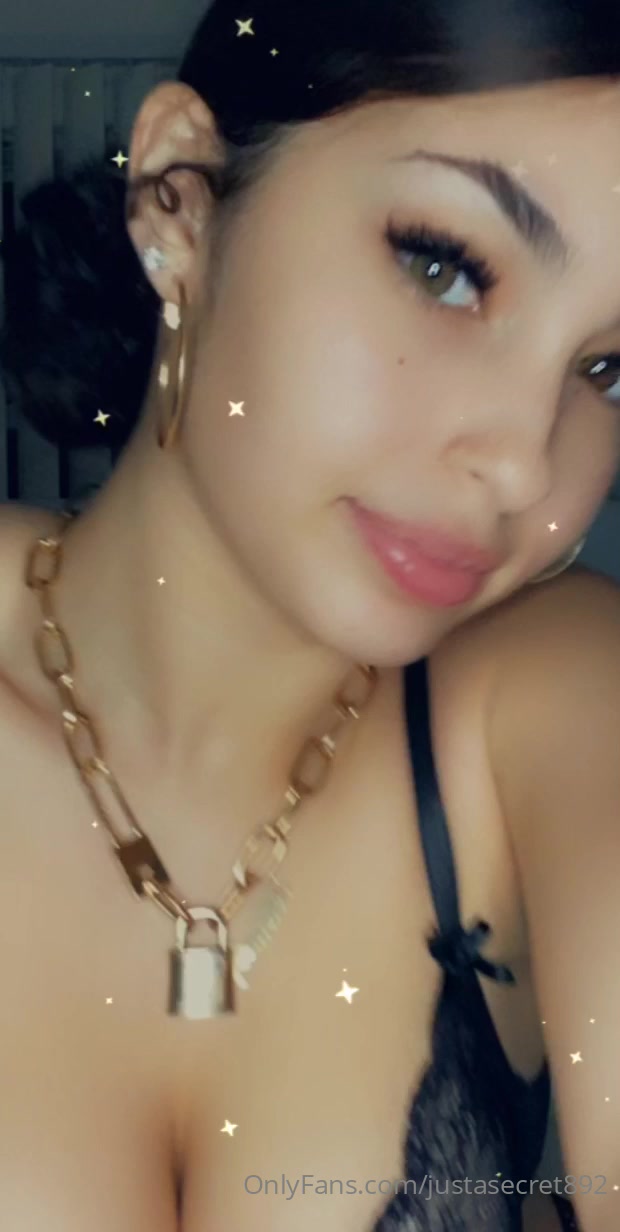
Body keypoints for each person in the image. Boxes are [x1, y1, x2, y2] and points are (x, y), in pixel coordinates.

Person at [0, 0, 618, 1228]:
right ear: (180, 197)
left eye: (607, 367)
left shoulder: (554, 693)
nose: (518, 460)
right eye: (444, 266)